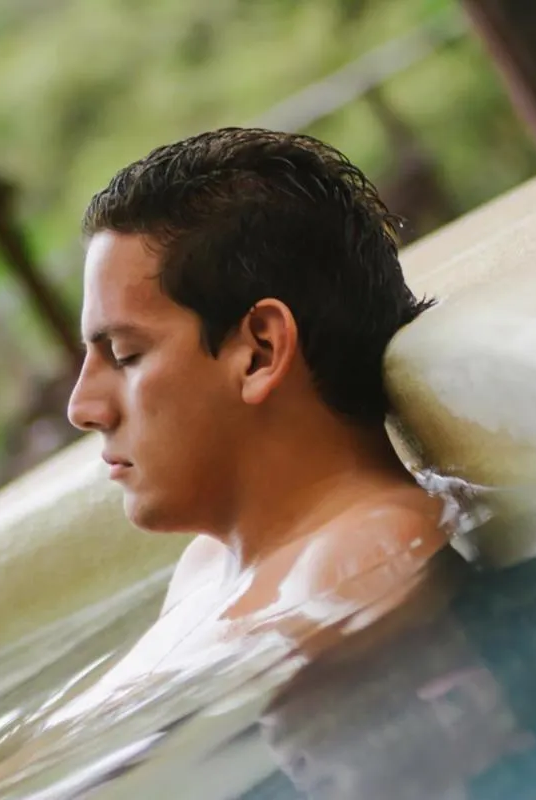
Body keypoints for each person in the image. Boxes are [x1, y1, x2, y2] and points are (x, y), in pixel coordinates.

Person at [66, 127, 453, 685]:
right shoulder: (208, 567)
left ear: (259, 351)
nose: (83, 407)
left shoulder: (363, 559)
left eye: (124, 354)